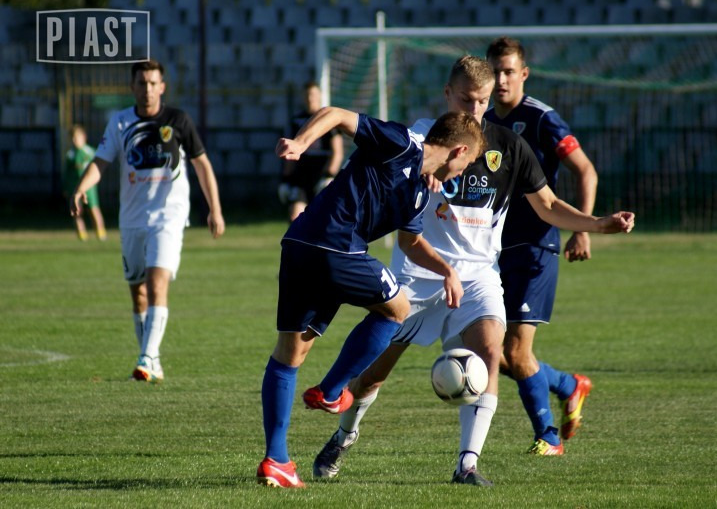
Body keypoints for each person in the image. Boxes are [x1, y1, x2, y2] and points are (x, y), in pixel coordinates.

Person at [310, 56, 634, 486]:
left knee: (489, 351)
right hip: (418, 274)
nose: (476, 109)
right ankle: (343, 436)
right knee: (374, 374)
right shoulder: (422, 139)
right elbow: (386, 179)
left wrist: (598, 224)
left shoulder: (510, 147)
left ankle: (467, 465)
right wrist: (416, 178)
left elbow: (549, 206)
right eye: (466, 100)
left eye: (483, 101)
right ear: (448, 94)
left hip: (479, 275)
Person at [257, 107, 487, 489]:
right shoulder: (401, 144)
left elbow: (410, 243)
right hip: (336, 245)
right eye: (469, 163)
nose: (463, 173)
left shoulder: (419, 192)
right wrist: (301, 142)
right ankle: (332, 392)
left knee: (290, 353)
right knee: (398, 309)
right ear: (459, 151)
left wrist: (447, 271)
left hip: (300, 244)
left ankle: (277, 460)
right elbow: (335, 114)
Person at [69, 59, 225, 383]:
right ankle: (151, 361)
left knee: (157, 283)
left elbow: (202, 165)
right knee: (138, 293)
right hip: (132, 219)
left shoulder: (178, 121)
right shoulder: (120, 122)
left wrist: (215, 209)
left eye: (153, 83)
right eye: (142, 83)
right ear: (132, 87)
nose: (148, 89)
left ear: (162, 87)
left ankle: (147, 357)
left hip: (169, 216)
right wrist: (81, 188)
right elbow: (100, 162)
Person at [485, 36, 599, 455]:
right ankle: (568, 385)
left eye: (508, 72)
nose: (501, 80)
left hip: (536, 246)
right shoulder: (482, 120)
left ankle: (548, 438)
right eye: (495, 71)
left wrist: (582, 228)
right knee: (484, 349)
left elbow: (585, 170)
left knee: (516, 350)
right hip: (493, 250)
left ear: (524, 74)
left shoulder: (541, 119)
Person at [278, 81, 344, 222]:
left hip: (321, 173)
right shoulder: (297, 121)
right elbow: (289, 151)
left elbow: (337, 151)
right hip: (302, 173)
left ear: (319, 96)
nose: (310, 98)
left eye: (313, 94)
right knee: (295, 216)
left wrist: (329, 175)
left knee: (323, 218)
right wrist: (286, 179)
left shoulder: (328, 118)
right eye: (307, 94)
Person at [63, 124, 107, 241]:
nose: (74, 141)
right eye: (72, 138)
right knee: (77, 211)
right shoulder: (70, 155)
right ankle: (82, 235)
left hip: (89, 187)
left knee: (94, 209)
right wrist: (66, 188)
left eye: (76, 137)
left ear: (83, 137)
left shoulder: (90, 152)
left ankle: (101, 232)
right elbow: (67, 173)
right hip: (74, 187)